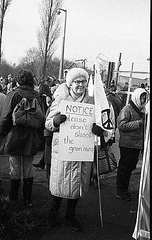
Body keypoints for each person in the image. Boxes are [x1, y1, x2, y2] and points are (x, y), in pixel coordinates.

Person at [45, 67, 103, 232]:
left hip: (81, 150)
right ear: (70, 84)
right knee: (60, 183)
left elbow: (100, 123)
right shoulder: (61, 98)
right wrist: (55, 121)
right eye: (77, 81)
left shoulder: (91, 102)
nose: (81, 85)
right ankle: (53, 212)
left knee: (76, 184)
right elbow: (48, 123)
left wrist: (97, 130)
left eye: (83, 81)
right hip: (63, 149)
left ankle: (70, 216)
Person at [0, 69, 45, 207]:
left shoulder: (13, 94)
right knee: (28, 168)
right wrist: (40, 137)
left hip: (14, 136)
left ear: (18, 81)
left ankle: (13, 198)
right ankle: (27, 199)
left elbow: (5, 117)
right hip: (31, 137)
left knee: (15, 167)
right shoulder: (37, 96)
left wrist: (2, 134)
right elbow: (42, 119)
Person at [116, 87, 148, 201]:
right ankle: (120, 190)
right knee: (124, 167)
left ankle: (125, 189)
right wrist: (138, 123)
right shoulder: (127, 109)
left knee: (131, 167)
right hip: (127, 144)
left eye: (144, 97)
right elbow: (121, 126)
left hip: (136, 144)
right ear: (136, 97)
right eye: (141, 97)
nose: (143, 99)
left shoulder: (143, 110)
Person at [33, 82, 52, 169]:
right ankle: (42, 162)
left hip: (44, 119)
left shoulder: (41, 98)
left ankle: (43, 162)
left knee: (47, 145)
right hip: (45, 119)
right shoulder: (48, 97)